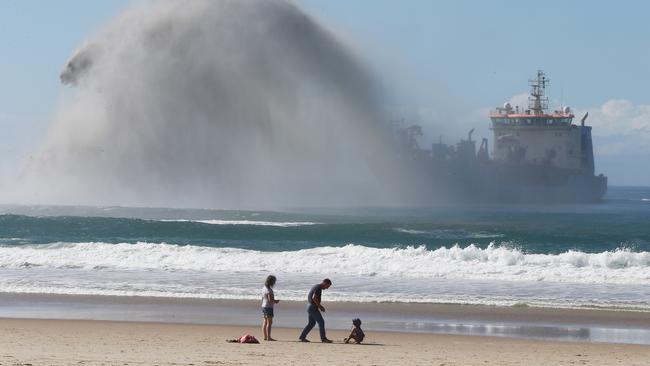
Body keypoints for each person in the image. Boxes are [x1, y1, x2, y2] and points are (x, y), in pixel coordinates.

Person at [298, 278, 333, 343]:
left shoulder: (315, 286)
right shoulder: (318, 288)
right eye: (327, 286)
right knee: (321, 322)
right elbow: (314, 298)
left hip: (309, 306)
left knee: (311, 323)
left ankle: (302, 337)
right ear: (325, 283)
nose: (327, 288)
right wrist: (320, 306)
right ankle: (323, 339)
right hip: (312, 307)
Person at [261, 275, 280, 341]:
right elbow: (270, 300)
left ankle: (265, 336)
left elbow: (263, 298)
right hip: (268, 307)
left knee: (265, 322)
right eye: (274, 282)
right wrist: (275, 301)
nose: (274, 283)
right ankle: (269, 337)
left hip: (263, 306)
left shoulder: (264, 288)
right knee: (269, 323)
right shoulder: (269, 290)